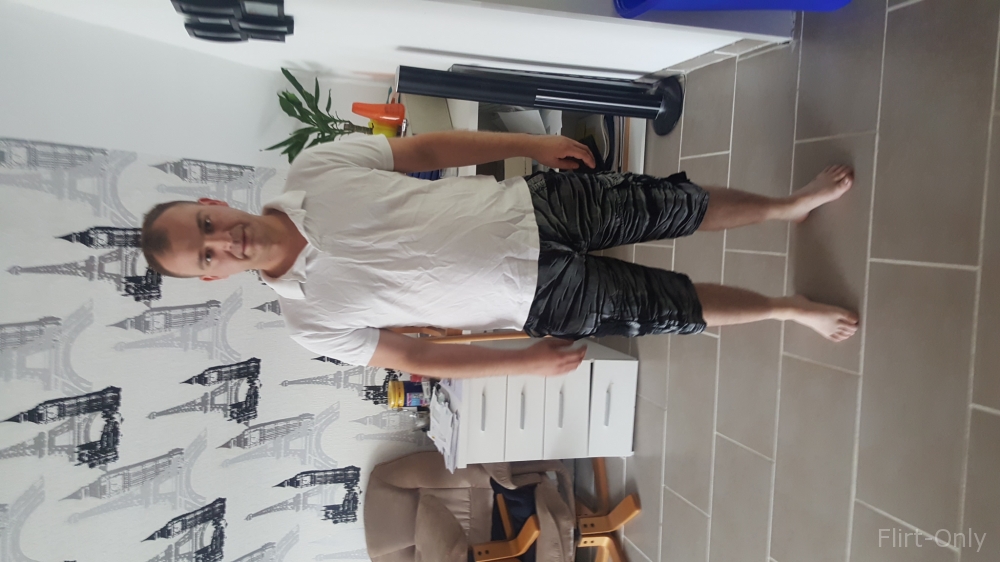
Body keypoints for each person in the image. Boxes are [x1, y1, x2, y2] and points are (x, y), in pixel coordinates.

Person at [140, 131, 859, 379]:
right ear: (213, 276)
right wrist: (520, 361)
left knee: (678, 204)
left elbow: (425, 150)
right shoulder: (308, 321)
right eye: (206, 255)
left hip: (537, 206)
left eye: (207, 224)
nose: (222, 241)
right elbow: (416, 356)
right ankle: (787, 310)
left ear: (213, 200)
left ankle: (786, 207)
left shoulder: (315, 170)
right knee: (677, 308)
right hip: (538, 301)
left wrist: (530, 145)